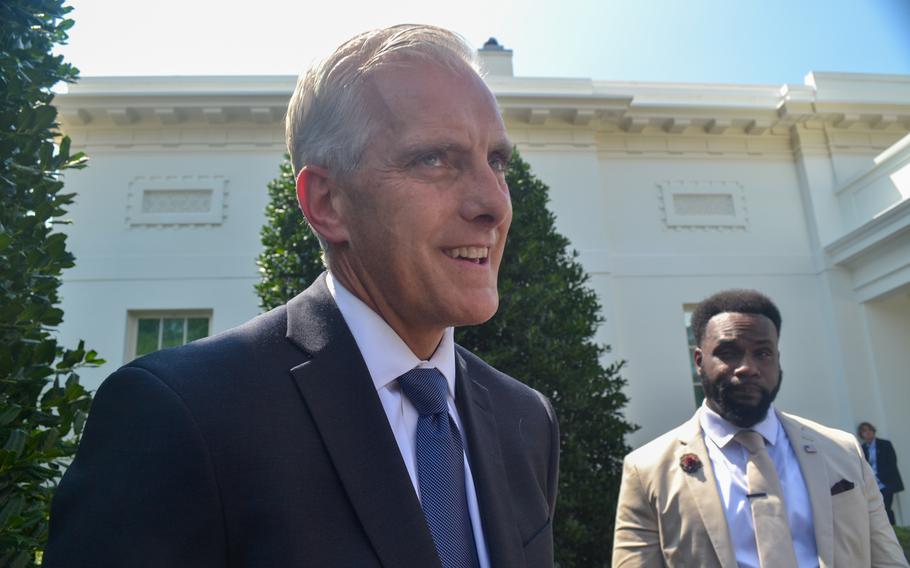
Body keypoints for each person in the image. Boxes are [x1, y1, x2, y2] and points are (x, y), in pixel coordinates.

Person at [43, 25, 559, 568]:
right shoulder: (179, 415)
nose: (493, 206)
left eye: (496, 162)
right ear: (328, 202)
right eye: (434, 159)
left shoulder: (526, 420)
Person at [612, 289, 907, 567]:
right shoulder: (647, 469)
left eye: (763, 353)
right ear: (699, 361)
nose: (747, 367)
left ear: (778, 361)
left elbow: (886, 559)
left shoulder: (842, 451)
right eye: (728, 352)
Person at [859, 421, 905, 525]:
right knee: (878, 510)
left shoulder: (885, 444)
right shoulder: (862, 449)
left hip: (886, 482)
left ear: (873, 431)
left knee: (887, 507)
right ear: (861, 434)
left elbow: (892, 462)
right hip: (872, 484)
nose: (867, 432)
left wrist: (879, 475)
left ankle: (894, 530)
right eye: (864, 431)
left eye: (869, 429)